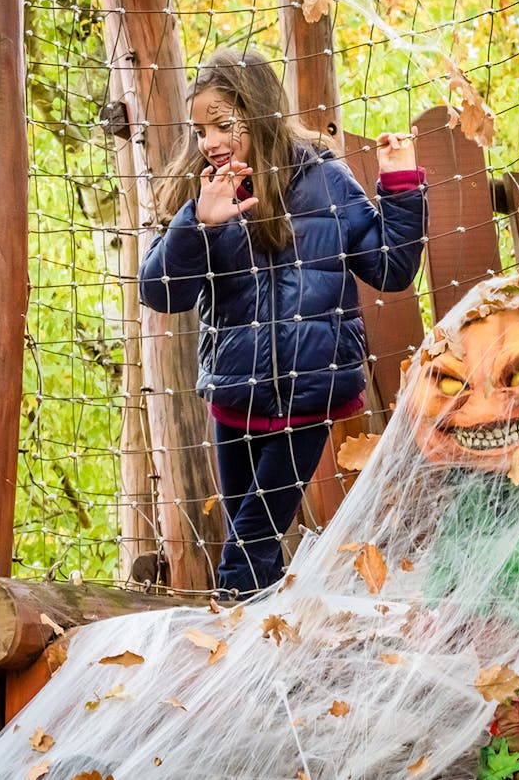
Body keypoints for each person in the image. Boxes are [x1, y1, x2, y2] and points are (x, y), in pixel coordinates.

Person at [139, 47, 427, 596]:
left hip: (308, 395)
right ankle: (265, 652)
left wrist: (400, 187)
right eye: (200, 129)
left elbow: (390, 269)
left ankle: (225, 647)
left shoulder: (325, 181)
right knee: (257, 550)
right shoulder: (204, 191)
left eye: (223, 125)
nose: (210, 142)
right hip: (234, 395)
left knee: (247, 544)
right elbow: (160, 292)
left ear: (260, 113)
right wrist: (197, 223)